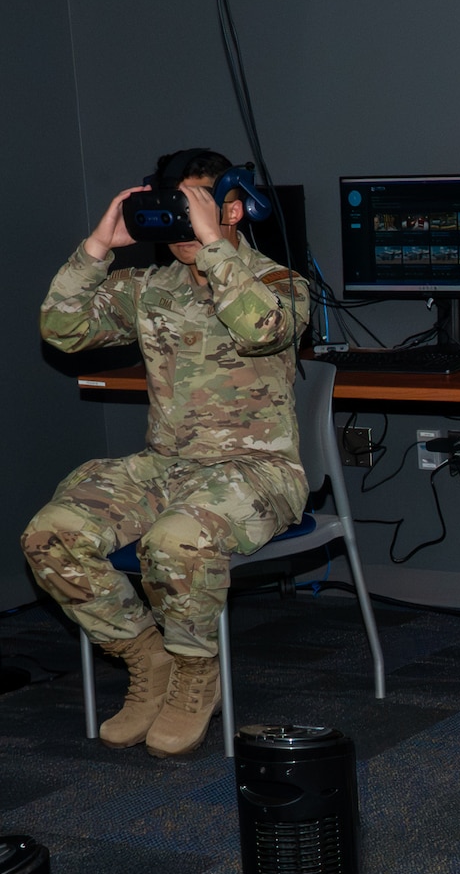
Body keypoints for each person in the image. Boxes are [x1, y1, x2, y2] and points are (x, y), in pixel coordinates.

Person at [24, 150, 311, 757]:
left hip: (257, 473)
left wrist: (214, 243)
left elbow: (262, 329)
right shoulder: (149, 288)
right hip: (166, 468)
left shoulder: (280, 283)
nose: (180, 224)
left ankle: (193, 672)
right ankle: (146, 658)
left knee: (174, 542)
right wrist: (99, 247)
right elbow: (62, 329)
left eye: (194, 208)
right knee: (51, 535)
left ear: (230, 208)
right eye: (172, 210)